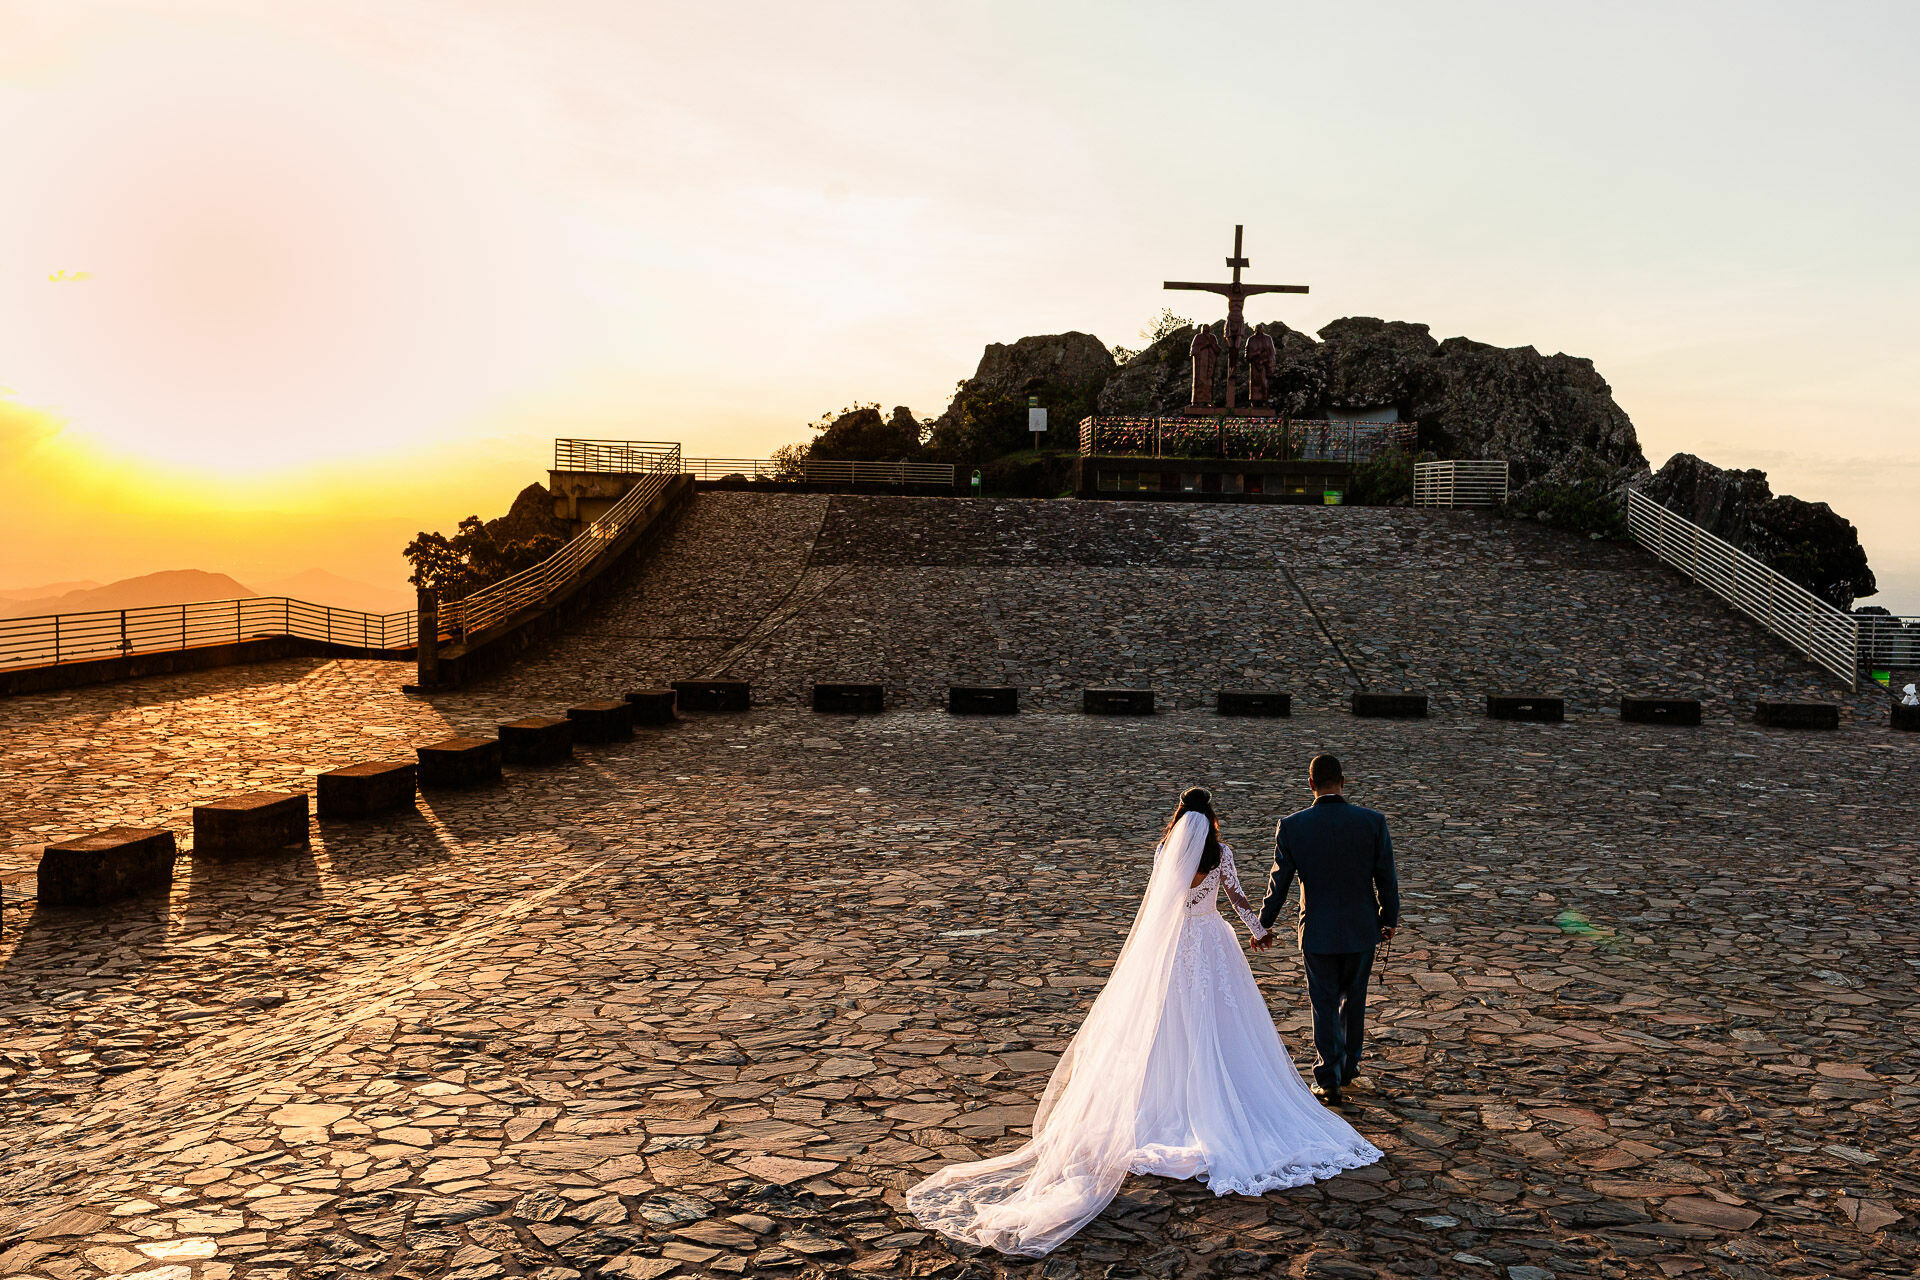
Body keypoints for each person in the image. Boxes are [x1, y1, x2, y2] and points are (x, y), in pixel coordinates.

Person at [907, 788, 1381, 1257]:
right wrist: (1259, 932)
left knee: (1168, 1027)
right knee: (1221, 1024)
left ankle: (1163, 1100)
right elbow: (1236, 898)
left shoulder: (1165, 852)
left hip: (1175, 949)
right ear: (1212, 818)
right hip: (1212, 945)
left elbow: (1159, 905)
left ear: (1178, 817)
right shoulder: (1222, 855)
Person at [1252, 754, 1399, 1107]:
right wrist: (1388, 918)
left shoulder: (1292, 826)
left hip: (1317, 928)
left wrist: (1263, 924)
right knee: (1354, 1001)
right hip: (1361, 927)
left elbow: (1279, 882)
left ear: (1311, 783)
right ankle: (1349, 1067)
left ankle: (1328, 1079)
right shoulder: (1372, 822)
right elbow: (1386, 877)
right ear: (1343, 782)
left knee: (1324, 1004)